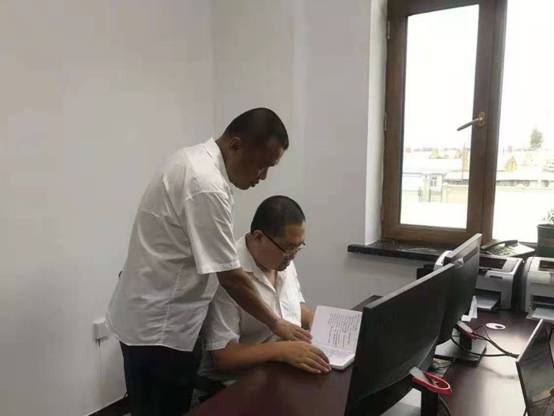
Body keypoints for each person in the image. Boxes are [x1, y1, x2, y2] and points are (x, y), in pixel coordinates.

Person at [106, 108, 314, 416]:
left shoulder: (194, 162)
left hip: (158, 318)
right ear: (236, 145)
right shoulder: (205, 183)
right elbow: (230, 278)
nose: (263, 176)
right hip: (160, 330)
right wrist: (277, 324)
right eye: (262, 165)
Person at [198, 195, 330, 395]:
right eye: (288, 248)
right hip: (241, 386)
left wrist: (314, 320)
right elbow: (224, 357)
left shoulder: (281, 260)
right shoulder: (228, 276)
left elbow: (290, 307)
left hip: (283, 373)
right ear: (259, 237)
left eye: (298, 247)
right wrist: (282, 351)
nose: (293, 256)